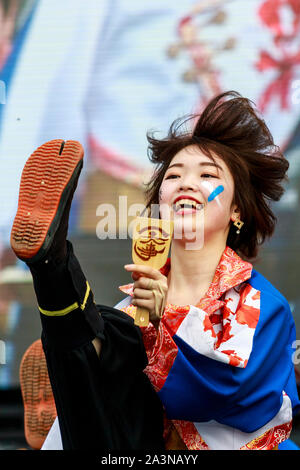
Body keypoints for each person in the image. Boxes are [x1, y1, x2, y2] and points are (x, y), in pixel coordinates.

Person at [11, 91, 300, 450]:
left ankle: (70, 381)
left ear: (237, 210)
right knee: (98, 334)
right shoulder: (131, 309)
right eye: (174, 175)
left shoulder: (260, 304)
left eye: (208, 175)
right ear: (160, 203)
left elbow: (226, 396)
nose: (186, 182)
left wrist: (165, 320)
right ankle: (50, 264)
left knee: (106, 341)